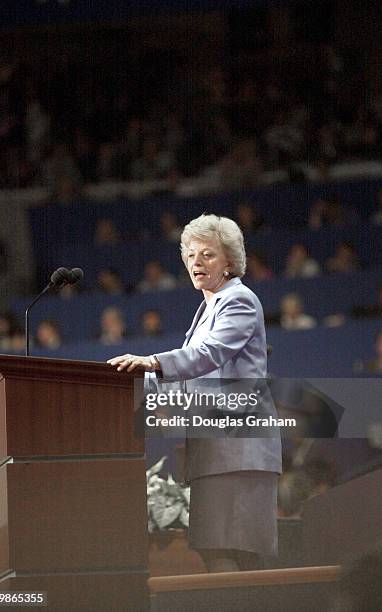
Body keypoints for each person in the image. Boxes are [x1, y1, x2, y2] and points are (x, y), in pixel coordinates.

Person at [108, 213, 282, 572]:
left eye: (207, 254)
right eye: (190, 255)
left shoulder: (239, 301)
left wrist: (151, 362)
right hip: (219, 450)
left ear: (230, 262)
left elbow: (208, 356)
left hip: (238, 449)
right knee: (221, 551)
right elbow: (189, 377)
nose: (196, 262)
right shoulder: (208, 308)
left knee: (232, 553)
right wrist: (131, 384)